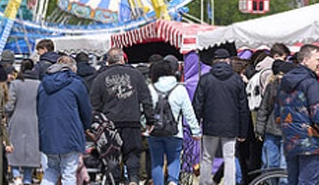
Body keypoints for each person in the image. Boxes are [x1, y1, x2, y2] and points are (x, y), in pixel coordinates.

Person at [89, 48, 152, 185]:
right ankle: (133, 179)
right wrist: (150, 119)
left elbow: (94, 107)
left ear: (107, 61)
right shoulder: (136, 75)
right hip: (132, 121)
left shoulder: (100, 79)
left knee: (113, 158)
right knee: (132, 153)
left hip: (110, 124)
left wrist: (94, 127)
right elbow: (146, 99)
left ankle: (115, 181)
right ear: (122, 59)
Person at [277, 44, 319, 185]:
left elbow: (277, 112)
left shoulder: (284, 82)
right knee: (308, 181)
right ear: (305, 60)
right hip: (311, 141)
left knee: (294, 180)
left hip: (290, 139)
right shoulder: (310, 83)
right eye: (318, 60)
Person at [194, 48, 250, 185]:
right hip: (231, 126)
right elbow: (243, 108)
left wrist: (195, 125)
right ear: (228, 60)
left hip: (210, 125)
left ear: (214, 61)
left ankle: (205, 182)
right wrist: (243, 132)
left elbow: (197, 104)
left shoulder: (205, 79)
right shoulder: (237, 80)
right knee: (229, 157)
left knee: (207, 157)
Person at [36, 55, 92, 185]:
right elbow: (86, 110)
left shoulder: (43, 84)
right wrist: (85, 127)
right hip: (70, 133)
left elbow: (38, 109)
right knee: (68, 171)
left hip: (49, 133)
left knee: (51, 169)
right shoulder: (76, 84)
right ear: (72, 69)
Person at [147, 57, 199, 185]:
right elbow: (189, 112)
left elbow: (142, 110)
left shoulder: (149, 89)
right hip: (175, 132)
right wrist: (196, 131)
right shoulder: (179, 89)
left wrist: (144, 126)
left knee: (157, 162)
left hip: (154, 132)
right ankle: (172, 181)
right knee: (174, 159)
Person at [5, 59, 41, 185]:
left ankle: (16, 176)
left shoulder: (16, 84)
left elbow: (10, 105)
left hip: (17, 119)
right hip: (34, 119)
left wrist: (4, 111)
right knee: (31, 151)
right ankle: (27, 178)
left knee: (14, 149)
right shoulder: (39, 84)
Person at [255, 59, 291, 180]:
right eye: (279, 74)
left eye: (283, 74)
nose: (280, 77)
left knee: (284, 166)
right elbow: (264, 108)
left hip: (287, 132)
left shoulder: (294, 89)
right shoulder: (272, 86)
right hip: (271, 130)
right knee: (270, 165)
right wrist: (259, 129)